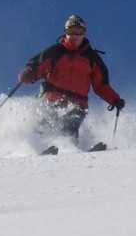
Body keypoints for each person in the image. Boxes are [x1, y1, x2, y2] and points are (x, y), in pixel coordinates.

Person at [18, 14, 124, 148]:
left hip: (77, 102)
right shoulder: (56, 51)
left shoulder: (91, 57)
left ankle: (69, 151)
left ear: (83, 34)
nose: (75, 36)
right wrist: (28, 73)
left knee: (70, 124)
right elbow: (37, 66)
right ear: (65, 33)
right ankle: (37, 147)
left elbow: (101, 85)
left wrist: (114, 99)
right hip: (52, 98)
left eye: (79, 32)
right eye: (71, 32)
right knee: (45, 120)